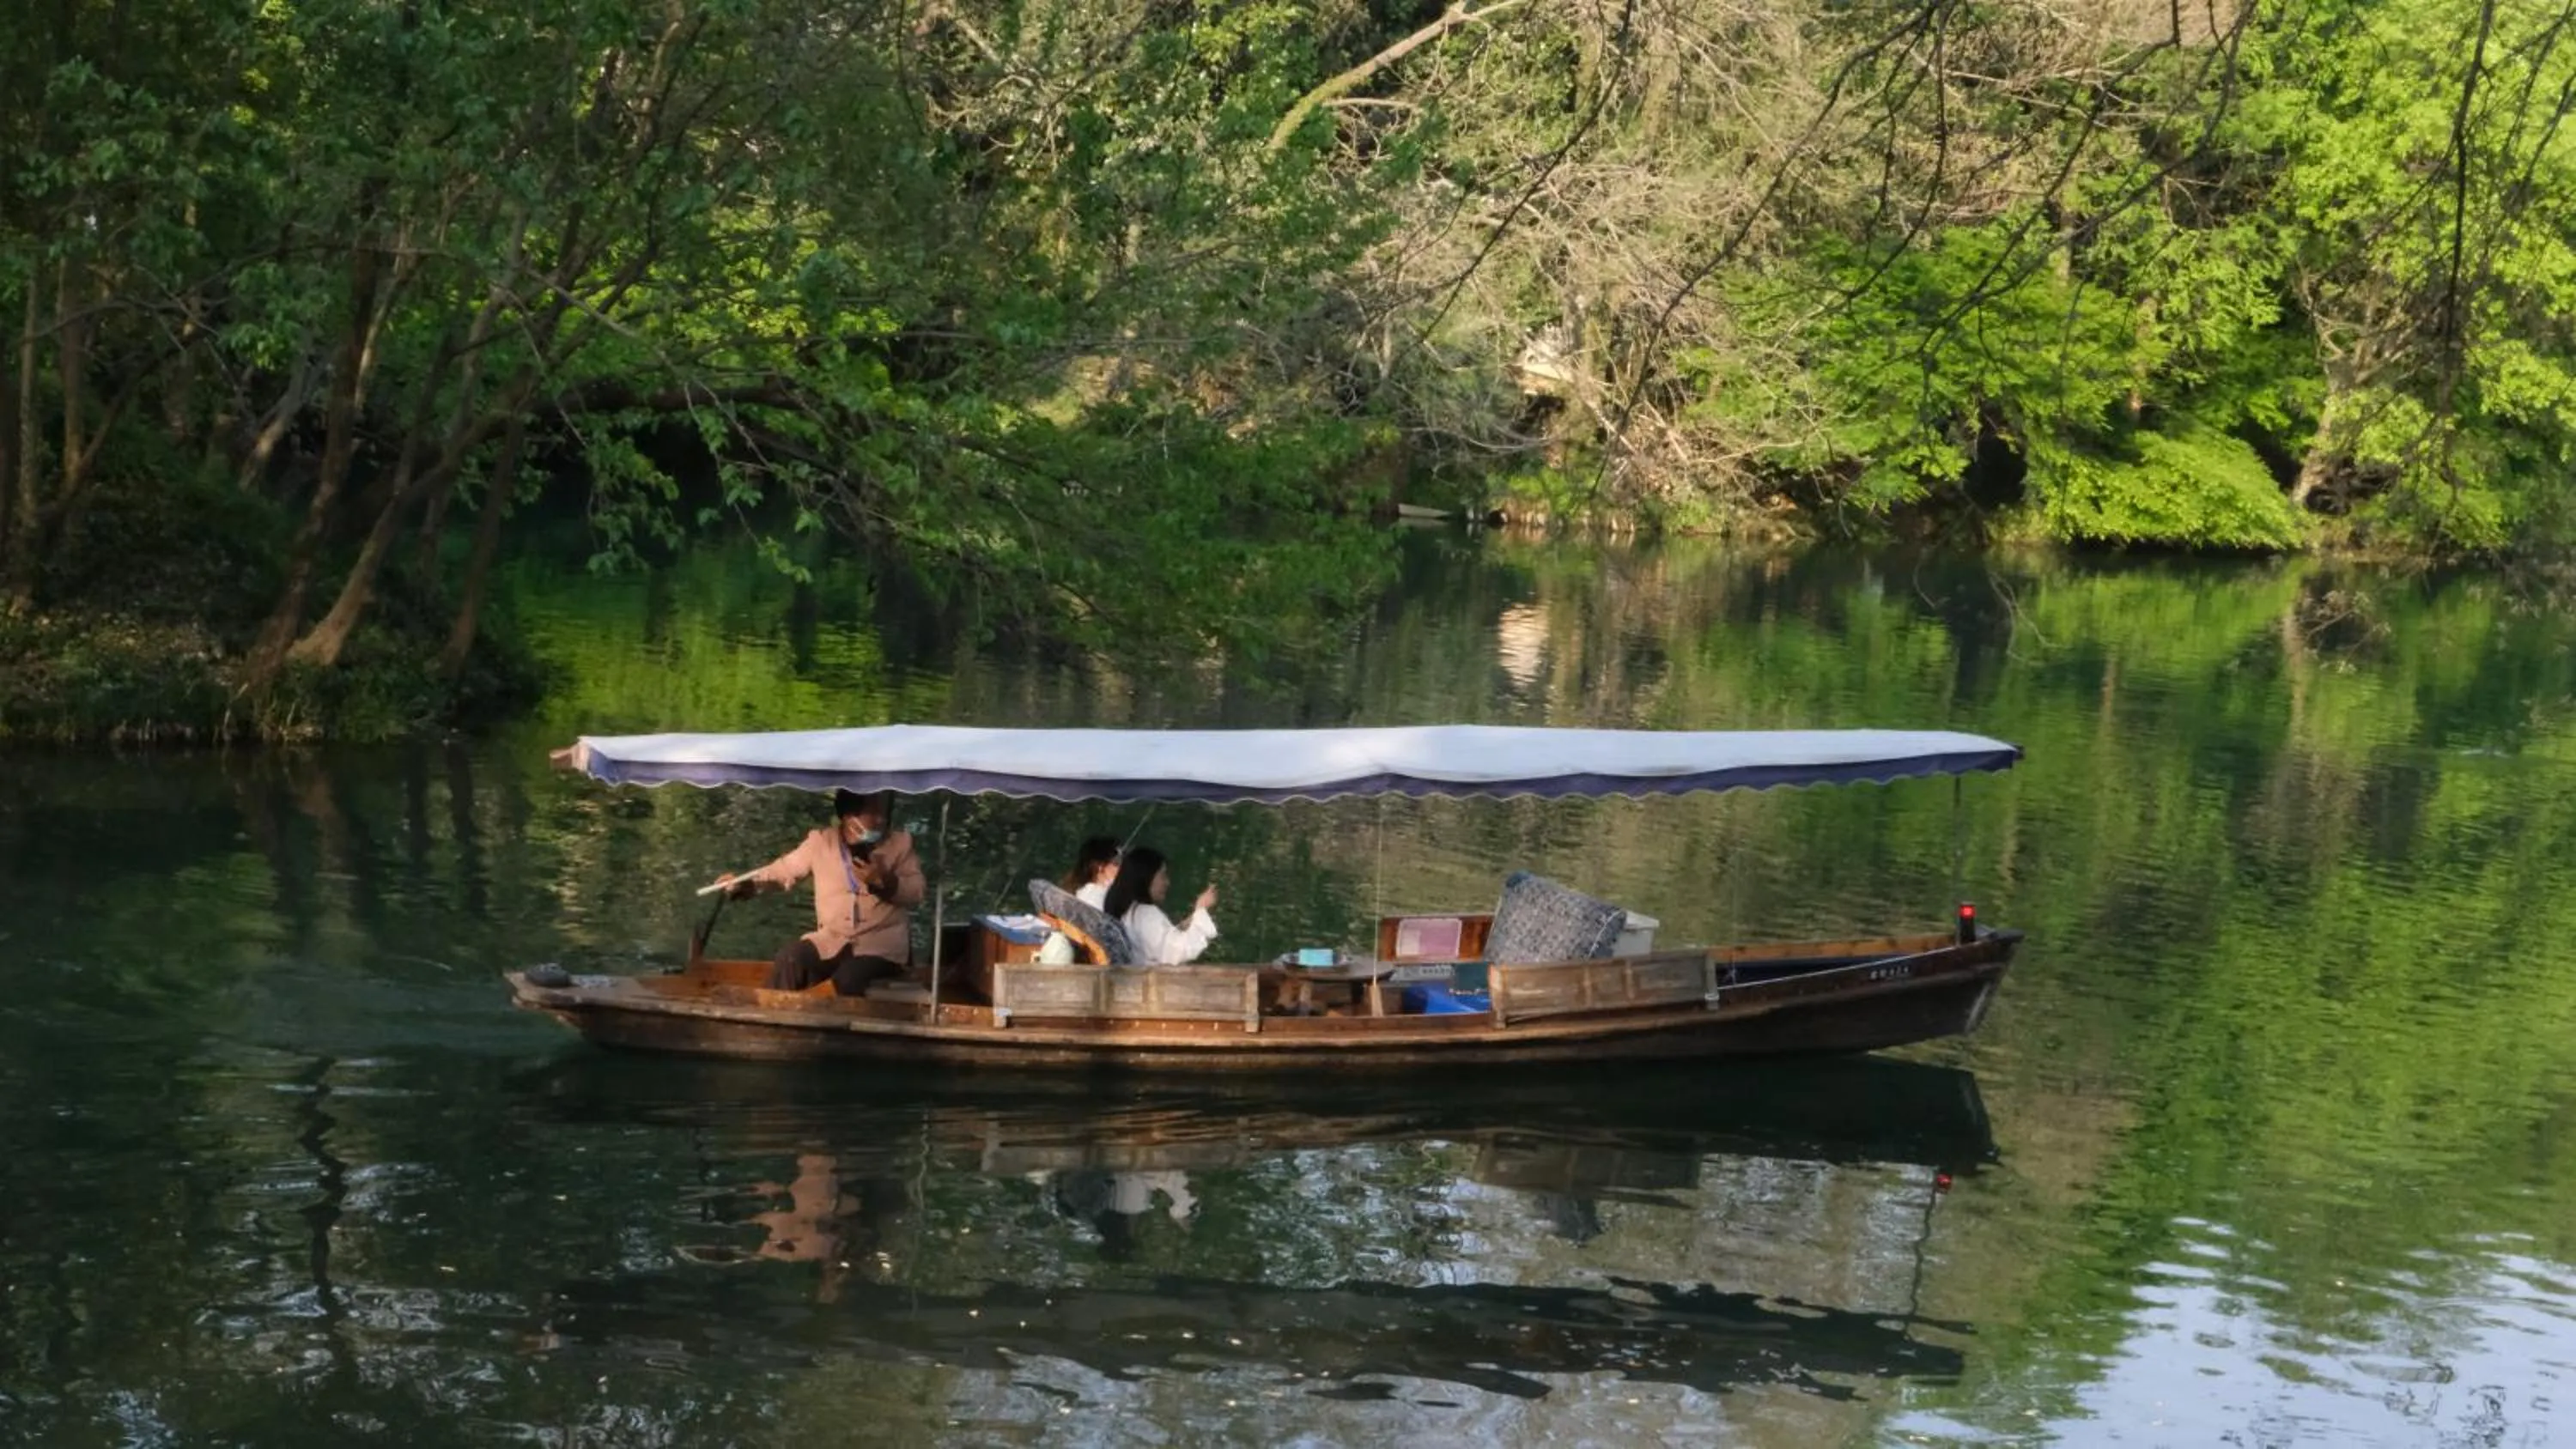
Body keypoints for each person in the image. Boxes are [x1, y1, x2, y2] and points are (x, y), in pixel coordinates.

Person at [718, 788, 924, 995]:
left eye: (882, 811)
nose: (881, 818)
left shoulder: (900, 844)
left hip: (880, 948)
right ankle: (769, 1018)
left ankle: (818, 1021)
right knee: (791, 957)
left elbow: (917, 892)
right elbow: (782, 871)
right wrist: (745, 883)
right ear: (849, 817)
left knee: (850, 978)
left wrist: (884, 882)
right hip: (833, 940)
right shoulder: (821, 842)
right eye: (873, 812)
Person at [1103, 845, 1218, 966]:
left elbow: (1160, 940)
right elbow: (1179, 952)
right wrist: (1201, 908)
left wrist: (1192, 919)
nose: (1167, 882)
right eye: (1162, 875)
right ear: (1146, 877)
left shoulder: (1129, 910)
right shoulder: (1146, 914)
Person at [1061, 835, 1122, 909]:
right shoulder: (1100, 897)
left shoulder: (1078, 892)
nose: (1122, 867)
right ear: (1100, 866)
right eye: (1117, 863)